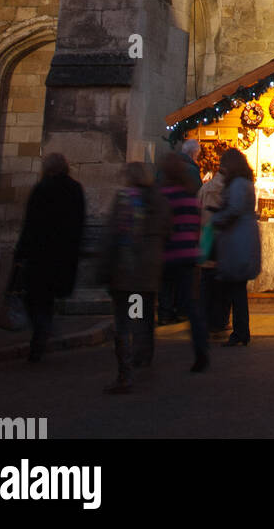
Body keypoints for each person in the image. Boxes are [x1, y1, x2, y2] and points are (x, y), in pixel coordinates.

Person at [96, 160, 171, 393]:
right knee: (143, 316)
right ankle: (143, 357)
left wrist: (103, 267)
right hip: (148, 273)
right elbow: (167, 232)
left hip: (127, 273)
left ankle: (125, 372)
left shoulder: (125, 199)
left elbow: (112, 236)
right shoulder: (159, 201)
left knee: (125, 322)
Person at [13, 153, 85, 363]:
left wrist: (20, 252)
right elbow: (79, 224)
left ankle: (41, 331)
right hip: (62, 255)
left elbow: (30, 224)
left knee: (34, 296)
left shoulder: (42, 189)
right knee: (47, 298)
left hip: (39, 254)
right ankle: (43, 330)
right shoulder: (75, 189)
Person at [159, 151, 209, 372]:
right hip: (187, 255)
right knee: (191, 304)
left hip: (167, 254)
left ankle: (142, 340)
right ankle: (201, 349)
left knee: (147, 297)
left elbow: (161, 226)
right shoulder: (190, 198)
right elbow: (198, 225)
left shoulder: (163, 196)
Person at [211, 148, 261, 347]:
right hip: (241, 239)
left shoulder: (238, 184)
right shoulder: (245, 183)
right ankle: (240, 330)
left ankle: (237, 330)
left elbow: (234, 209)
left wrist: (216, 218)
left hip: (237, 240)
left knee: (235, 289)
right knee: (237, 289)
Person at [198, 153, 230, 335]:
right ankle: (220, 321)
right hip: (223, 241)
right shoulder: (230, 190)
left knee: (206, 283)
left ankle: (205, 320)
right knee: (222, 286)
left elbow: (197, 211)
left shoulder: (205, 188)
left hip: (207, 239)